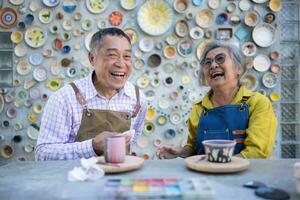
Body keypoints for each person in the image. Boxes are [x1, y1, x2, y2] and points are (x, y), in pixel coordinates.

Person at [35, 28, 147, 160]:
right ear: (92, 59)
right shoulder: (64, 99)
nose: (121, 63)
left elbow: (131, 143)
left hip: (119, 178)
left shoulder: (138, 99)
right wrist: (92, 147)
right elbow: (42, 154)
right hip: (74, 179)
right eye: (112, 55)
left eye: (127, 56)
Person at [156, 42, 277, 159]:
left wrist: (218, 166)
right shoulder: (199, 108)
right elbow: (194, 148)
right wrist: (180, 151)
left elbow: (256, 152)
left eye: (220, 59)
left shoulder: (257, 103)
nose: (213, 65)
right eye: (207, 63)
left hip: (243, 177)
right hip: (204, 177)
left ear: (238, 69)